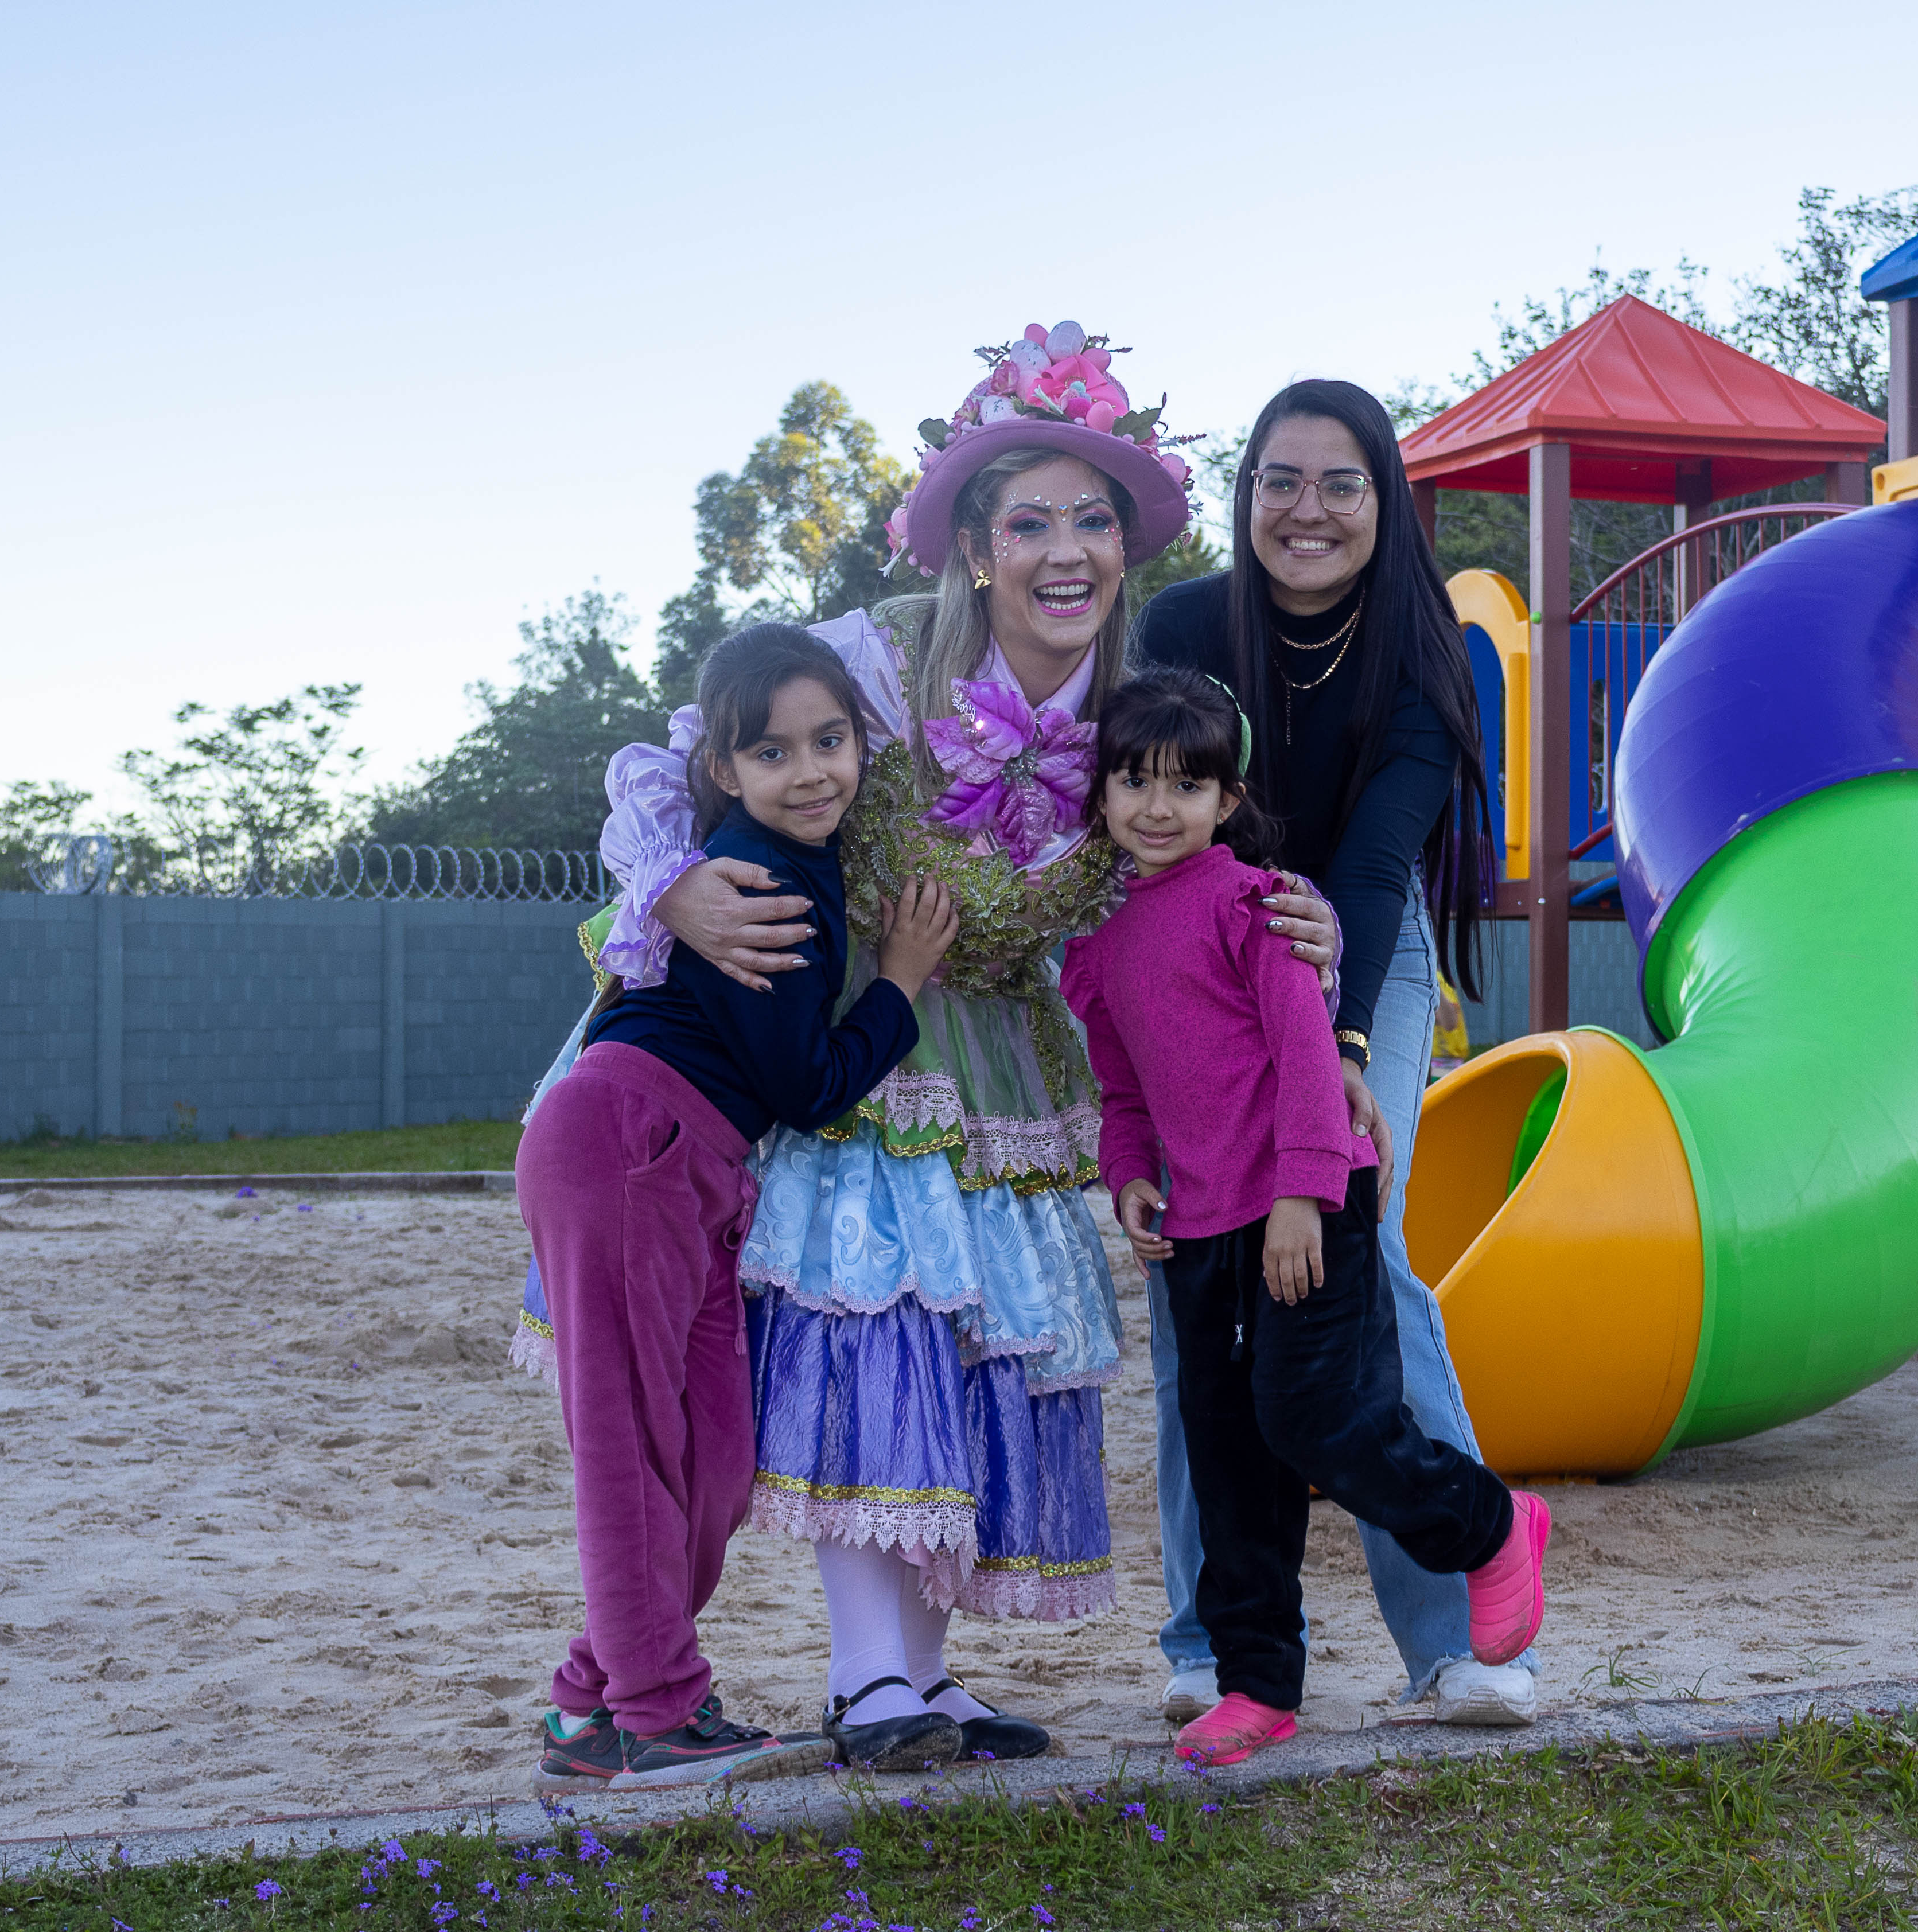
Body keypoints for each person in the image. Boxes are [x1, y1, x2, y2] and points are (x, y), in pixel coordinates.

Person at [529, 321, 1347, 1771]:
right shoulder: (874, 656)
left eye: (1093, 520)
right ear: (974, 546)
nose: (1065, 552)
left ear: (1127, 545)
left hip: (1007, 1061)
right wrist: (673, 883)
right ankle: (863, 1681)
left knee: (970, 1355)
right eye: (1028, 521)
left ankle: (916, 1671)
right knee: (872, 1332)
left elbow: (1201, 861)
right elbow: (679, 757)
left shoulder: (1138, 711)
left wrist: (1310, 932)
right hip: (846, 1029)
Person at [1129, 379, 1538, 1725]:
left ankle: (1459, 1635)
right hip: (1200, 941)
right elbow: (1149, 808)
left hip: (1362, 939)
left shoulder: (1426, 644)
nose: (1307, 510)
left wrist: (1343, 1042)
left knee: (1365, 1244)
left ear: (1385, 500)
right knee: (1200, 1264)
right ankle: (1214, 1635)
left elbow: (1368, 865)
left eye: (1341, 483)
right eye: (1280, 481)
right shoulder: (1185, 625)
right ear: (1248, 494)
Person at [1057, 669, 1548, 1769]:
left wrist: (1302, 1198)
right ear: (1100, 793)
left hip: (1305, 1205)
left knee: (1315, 1419)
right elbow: (1124, 1092)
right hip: (1197, 1230)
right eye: (1133, 781)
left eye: (1187, 785)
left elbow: (1310, 1059)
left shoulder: (1258, 906)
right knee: (1230, 1462)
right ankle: (1259, 1685)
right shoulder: (1099, 945)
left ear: (1227, 800)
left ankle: (1489, 1524)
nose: (1156, 806)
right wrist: (1128, 1174)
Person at [518, 622, 959, 1794]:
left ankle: (591, 1702)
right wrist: (901, 981)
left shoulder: (794, 862)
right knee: (632, 1445)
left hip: (695, 1169)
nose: (811, 772)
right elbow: (807, 1089)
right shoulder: (758, 880)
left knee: (716, 1461)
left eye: (831, 740)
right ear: (721, 767)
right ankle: (659, 1715)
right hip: (627, 1142)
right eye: (772, 752)